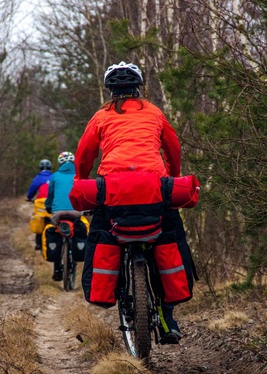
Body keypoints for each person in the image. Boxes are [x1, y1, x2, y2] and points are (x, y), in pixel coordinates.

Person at [74, 61, 197, 344]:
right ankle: (167, 317)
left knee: (105, 235)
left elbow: (84, 153)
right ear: (138, 88)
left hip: (113, 191)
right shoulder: (154, 112)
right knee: (168, 237)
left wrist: (82, 178)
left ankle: (115, 291)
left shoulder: (101, 116)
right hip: (155, 188)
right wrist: (172, 177)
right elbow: (173, 146)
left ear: (111, 91)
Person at [45, 152, 87, 281]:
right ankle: (76, 254)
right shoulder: (79, 176)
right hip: (76, 211)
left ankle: (57, 269)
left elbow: (50, 195)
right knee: (78, 229)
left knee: (56, 233)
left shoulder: (55, 176)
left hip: (58, 212)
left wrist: (48, 207)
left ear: (60, 163)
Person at [26, 159, 53, 250]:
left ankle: (38, 243)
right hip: (52, 202)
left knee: (39, 220)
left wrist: (29, 198)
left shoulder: (38, 177)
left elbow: (32, 189)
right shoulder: (54, 176)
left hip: (41, 203)